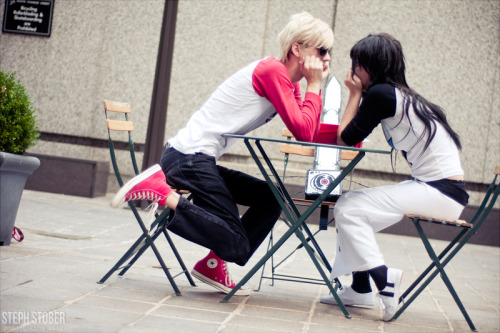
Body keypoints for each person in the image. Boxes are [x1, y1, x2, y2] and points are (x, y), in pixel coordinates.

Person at [110, 12, 334, 296]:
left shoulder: (290, 84)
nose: (327, 58)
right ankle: (161, 193)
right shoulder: (272, 71)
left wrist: (346, 130)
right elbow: (303, 131)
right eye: (322, 49)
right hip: (187, 158)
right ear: (297, 48)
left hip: (196, 160)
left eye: (330, 52)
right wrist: (315, 85)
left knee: (271, 196)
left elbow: (309, 131)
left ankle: (214, 263)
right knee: (238, 244)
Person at [319, 33, 469, 321]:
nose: (352, 71)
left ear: (369, 66)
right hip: (438, 189)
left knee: (349, 207)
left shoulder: (381, 95)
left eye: (356, 64)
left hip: (439, 192)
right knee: (350, 204)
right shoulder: (399, 96)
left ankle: (383, 280)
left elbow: (346, 138)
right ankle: (360, 289)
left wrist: (354, 94)